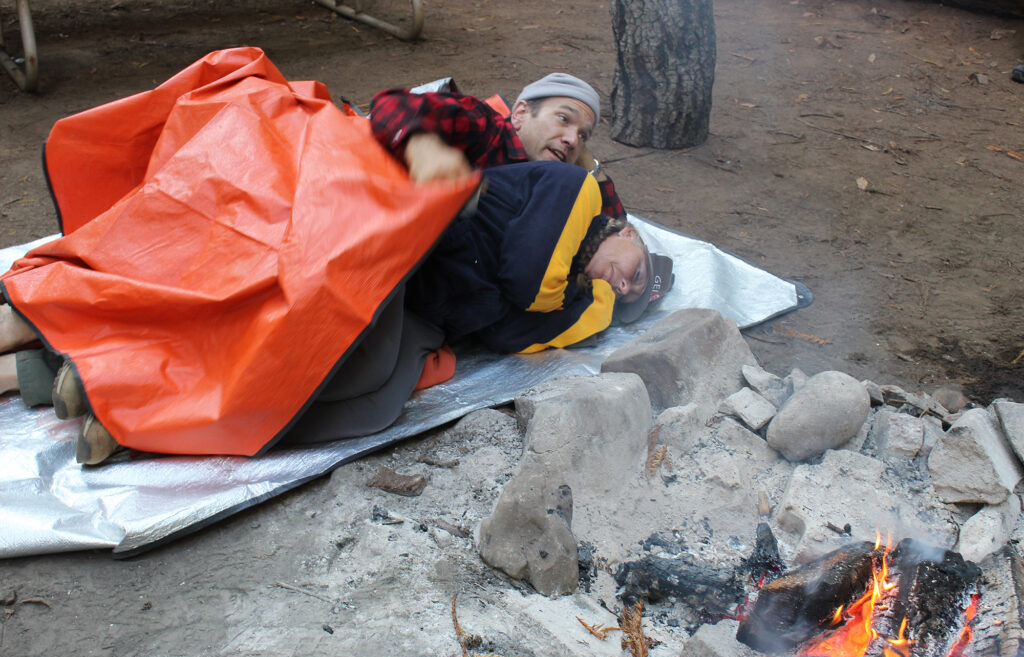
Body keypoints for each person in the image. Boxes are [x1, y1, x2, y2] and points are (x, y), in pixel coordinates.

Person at [0, 161, 673, 462]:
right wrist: (536, 297)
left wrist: (599, 304)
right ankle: (56, 342)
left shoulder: (583, 298)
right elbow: (525, 277)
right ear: (626, 225)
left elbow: (504, 330)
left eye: (633, 291)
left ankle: (113, 411)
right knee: (291, 314)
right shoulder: (575, 190)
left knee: (363, 392)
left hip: (424, 313)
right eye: (634, 264)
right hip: (402, 248)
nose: (626, 279)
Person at [369, 72, 626, 219]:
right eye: (563, 118)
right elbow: (391, 103)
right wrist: (423, 147)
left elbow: (615, 230)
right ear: (521, 114)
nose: (572, 139)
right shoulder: (486, 129)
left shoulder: (560, 181)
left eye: (583, 135)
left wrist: (588, 165)